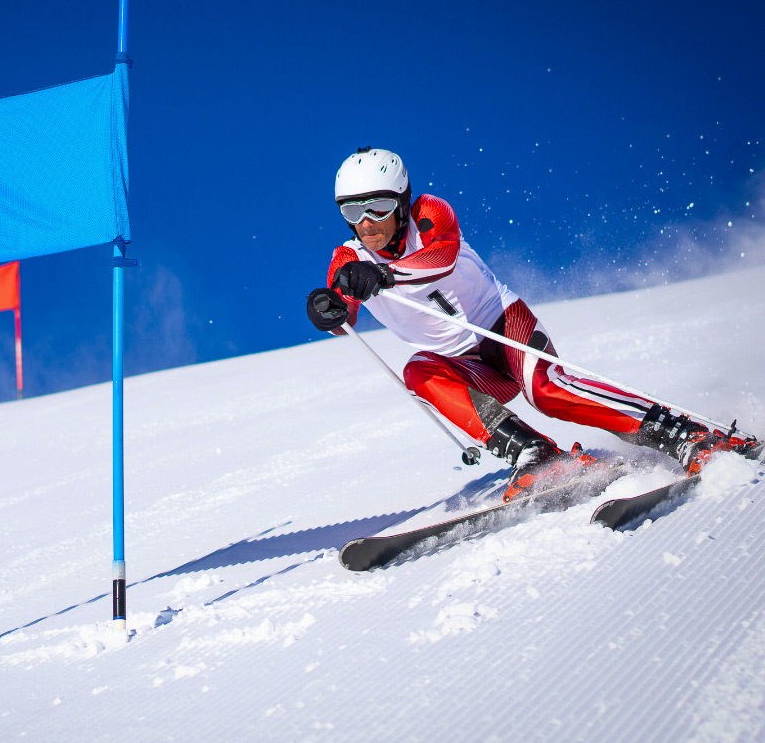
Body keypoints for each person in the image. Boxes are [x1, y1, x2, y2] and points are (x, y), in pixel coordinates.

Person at [306, 147, 761, 501]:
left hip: (502, 327)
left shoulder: (429, 212)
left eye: (379, 207)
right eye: (352, 212)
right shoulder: (348, 260)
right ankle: (536, 456)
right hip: (465, 365)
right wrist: (327, 309)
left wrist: (384, 274)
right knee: (418, 371)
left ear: (402, 203)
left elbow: (442, 257)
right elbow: (342, 313)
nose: (366, 223)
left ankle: (685, 435)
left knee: (549, 390)